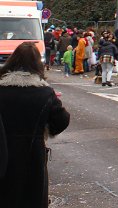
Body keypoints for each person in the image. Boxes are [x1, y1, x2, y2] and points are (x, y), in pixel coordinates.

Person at [0, 42, 70, 207]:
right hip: (33, 156)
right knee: (32, 197)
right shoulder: (45, 92)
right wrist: (45, 128)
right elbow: (61, 120)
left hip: (3, 154)